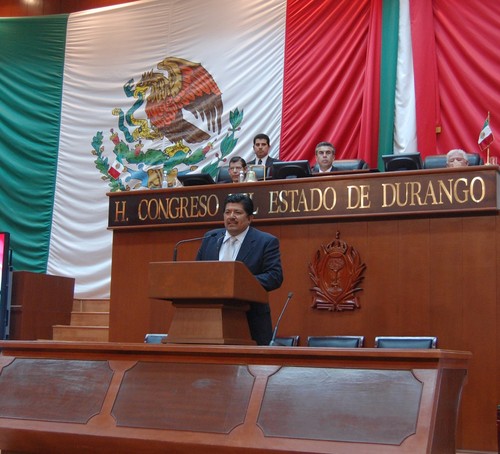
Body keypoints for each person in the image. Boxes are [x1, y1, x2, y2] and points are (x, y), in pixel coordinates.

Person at [196, 193, 283, 345]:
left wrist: (237, 281)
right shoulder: (210, 238)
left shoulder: (265, 241)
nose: (231, 216)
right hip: (210, 318)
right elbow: (196, 273)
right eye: (227, 212)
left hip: (250, 318)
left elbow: (274, 277)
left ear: (250, 218)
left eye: (237, 212)